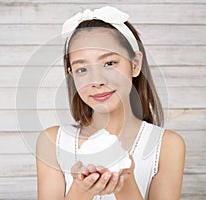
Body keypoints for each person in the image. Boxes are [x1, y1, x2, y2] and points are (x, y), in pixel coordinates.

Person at [36, 6, 185, 200]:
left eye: (109, 63)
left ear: (135, 64)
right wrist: (81, 190)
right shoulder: (52, 142)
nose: (96, 80)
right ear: (70, 73)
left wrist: (125, 182)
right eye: (82, 69)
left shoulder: (167, 146)